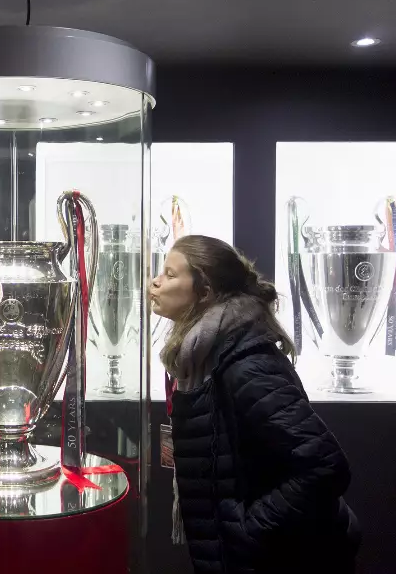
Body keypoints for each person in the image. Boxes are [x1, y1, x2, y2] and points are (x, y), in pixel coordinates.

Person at [149, 235, 360, 574]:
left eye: (170, 274)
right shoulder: (202, 360)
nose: (155, 282)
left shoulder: (247, 365)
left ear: (205, 292)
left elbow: (324, 466)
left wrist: (249, 531)